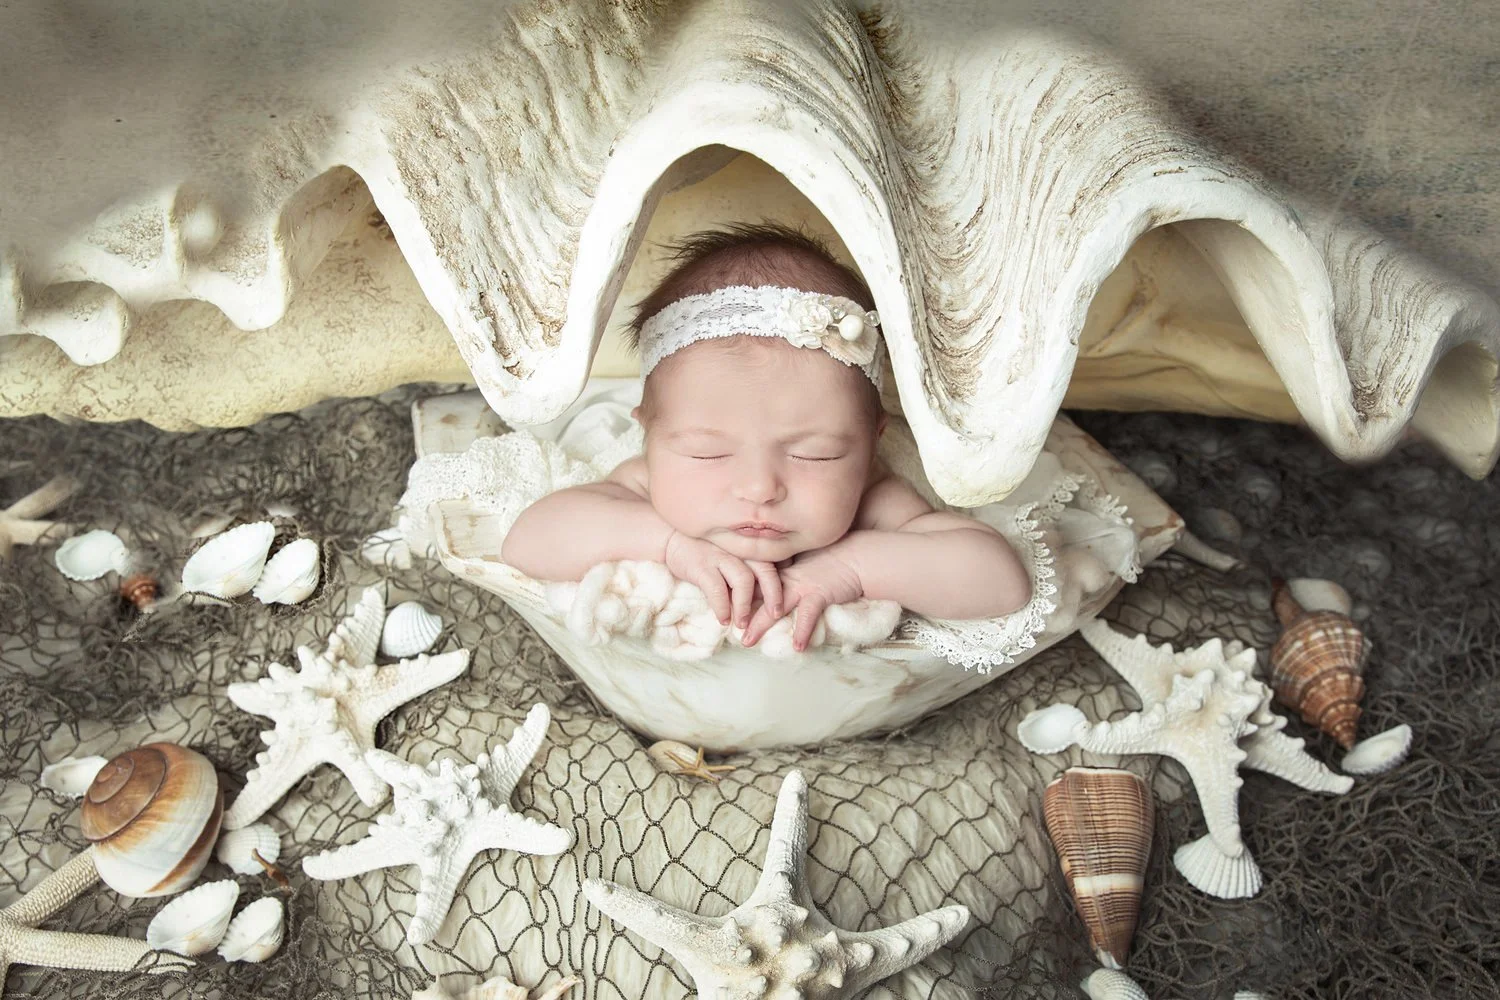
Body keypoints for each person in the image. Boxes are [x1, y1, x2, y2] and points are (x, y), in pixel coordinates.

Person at [502, 222, 1031, 651]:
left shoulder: (874, 498)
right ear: (649, 437)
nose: (760, 487)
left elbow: (1001, 581)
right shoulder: (644, 484)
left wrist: (852, 566)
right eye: (707, 452)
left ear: (872, 444)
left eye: (815, 455)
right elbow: (527, 540)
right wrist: (670, 544)